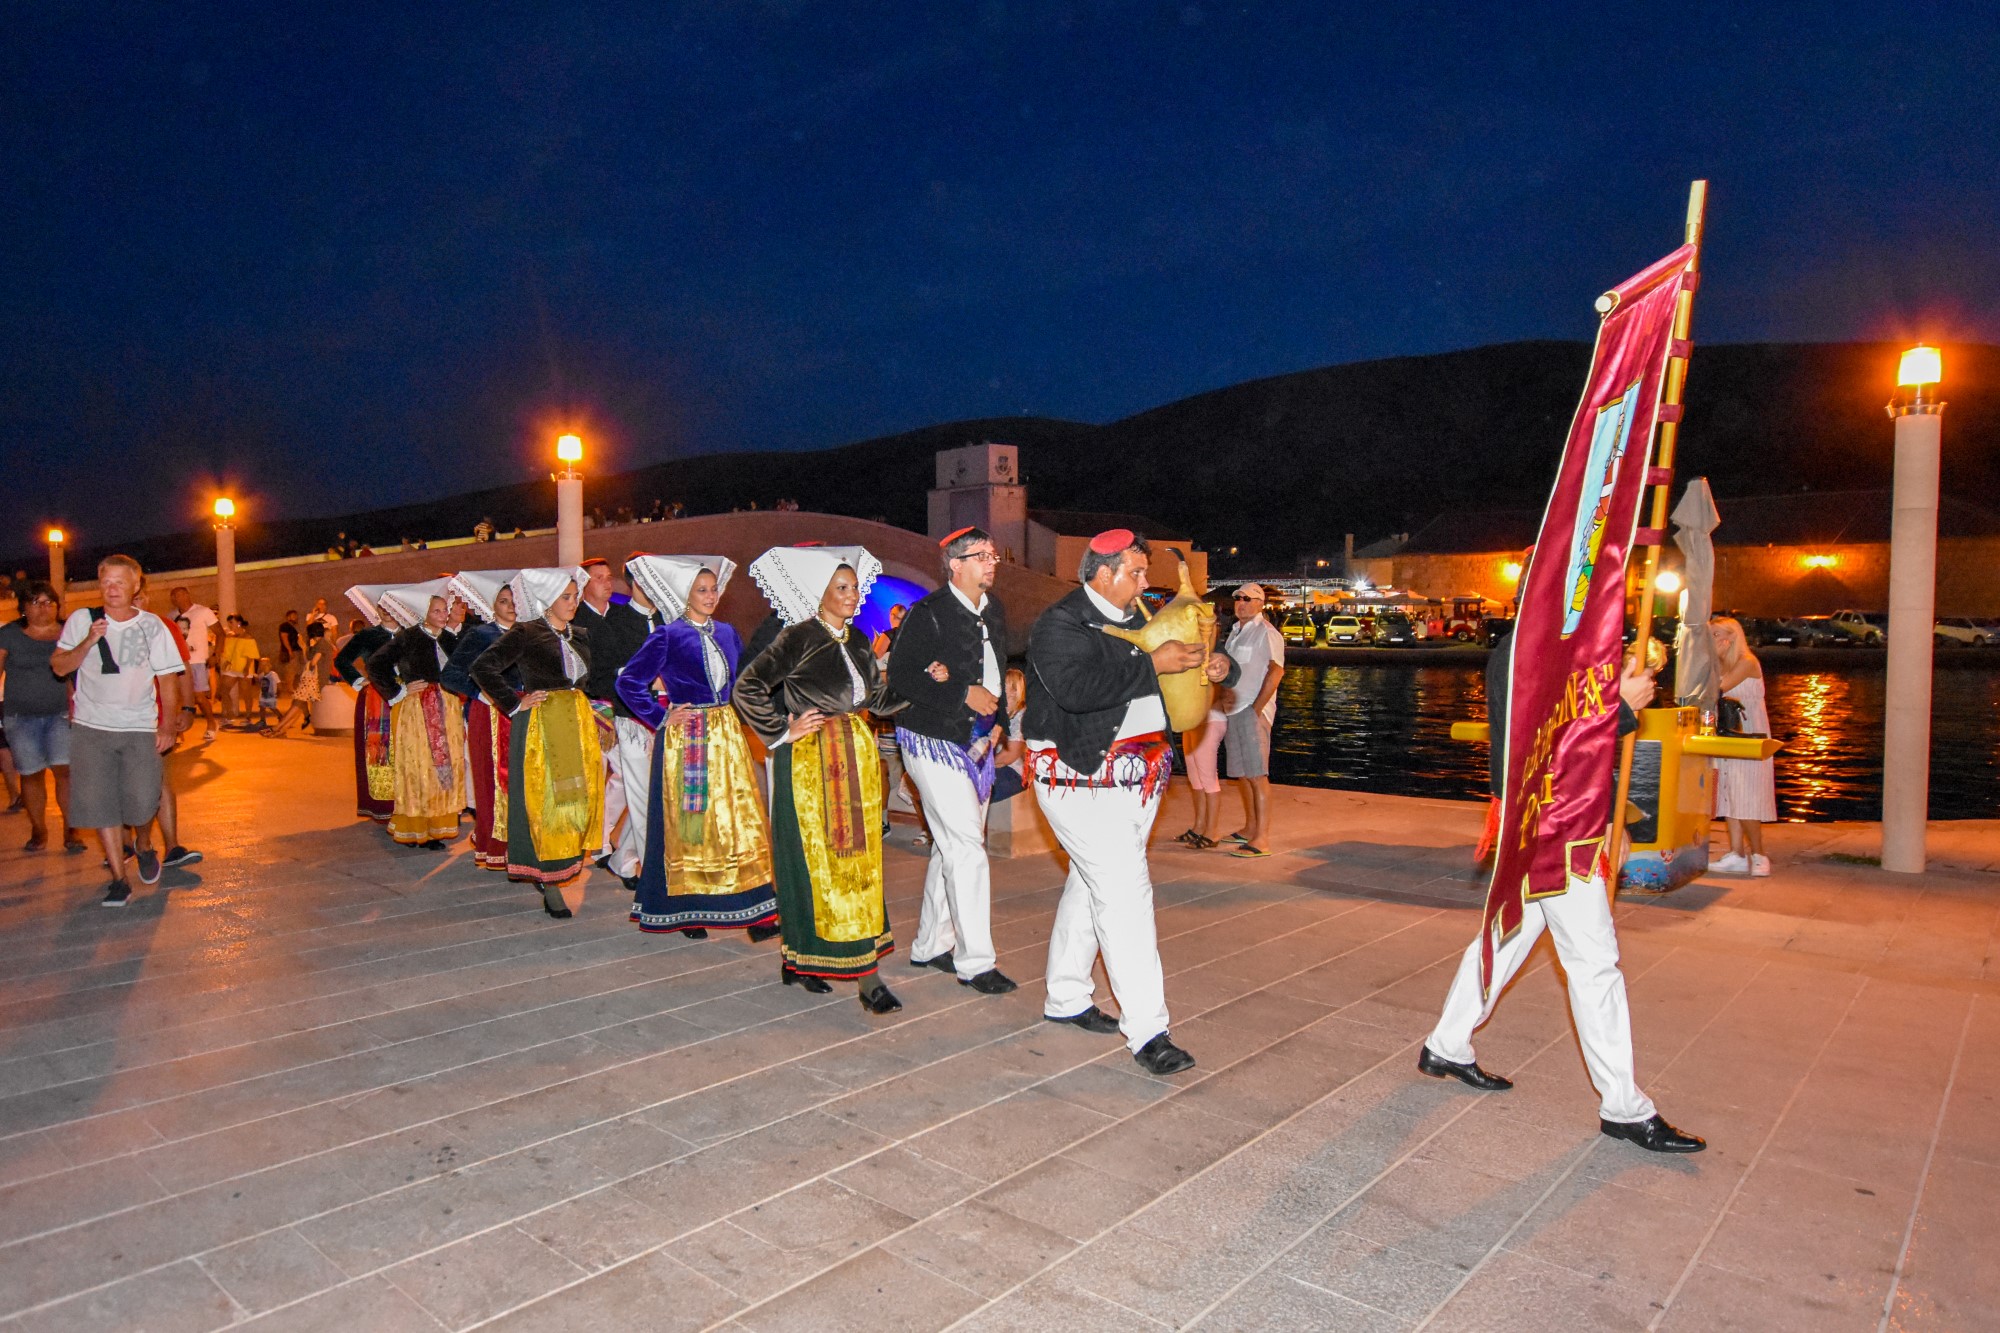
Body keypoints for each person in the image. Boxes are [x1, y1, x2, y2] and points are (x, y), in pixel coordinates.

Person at [1418, 647, 1706, 1155]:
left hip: (1551, 819)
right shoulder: (1534, 638)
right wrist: (1621, 707)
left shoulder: (1543, 631)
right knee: (1595, 965)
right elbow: (1546, 739)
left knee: (1506, 938)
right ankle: (1624, 1107)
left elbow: (1562, 725)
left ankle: (1446, 1044)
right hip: (1553, 828)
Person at [1025, 529, 1238, 1075]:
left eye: (1145, 573)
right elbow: (1075, 689)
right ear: (1102, 572)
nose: (1147, 583)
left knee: (1090, 882)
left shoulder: (1141, 615)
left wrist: (1219, 668)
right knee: (1124, 890)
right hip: (1079, 775)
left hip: (1137, 778)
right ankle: (1148, 1031)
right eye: (1136, 573)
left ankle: (1066, 996)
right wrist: (1154, 664)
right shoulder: (1060, 622)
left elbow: (1196, 655)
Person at [734, 545, 906, 1012]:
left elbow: (879, 699)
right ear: (820, 593)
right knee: (813, 862)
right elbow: (746, 686)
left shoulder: (856, 640)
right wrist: (780, 730)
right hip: (811, 761)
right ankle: (861, 977)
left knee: (858, 862)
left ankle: (806, 959)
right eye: (842, 588)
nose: (852, 596)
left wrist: (926, 688)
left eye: (854, 588)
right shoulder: (797, 637)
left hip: (854, 755)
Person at [616, 555, 779, 939]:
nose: (710, 596)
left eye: (713, 589)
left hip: (726, 734)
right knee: (691, 823)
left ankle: (750, 907)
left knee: (739, 820)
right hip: (689, 738)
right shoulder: (668, 635)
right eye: (701, 591)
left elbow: (741, 683)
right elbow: (628, 683)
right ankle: (687, 907)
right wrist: (660, 718)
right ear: (684, 595)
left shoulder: (727, 632)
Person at [886, 526, 1016, 994]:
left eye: (993, 554)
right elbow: (900, 677)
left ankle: (929, 944)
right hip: (931, 738)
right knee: (966, 846)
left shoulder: (994, 609)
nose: (991, 562)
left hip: (978, 742)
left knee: (951, 845)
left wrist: (999, 715)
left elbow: (997, 667)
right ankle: (976, 961)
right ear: (955, 564)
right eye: (980, 555)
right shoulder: (928, 613)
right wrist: (963, 693)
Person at [50, 555, 188, 906]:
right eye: (106, 582)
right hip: (91, 727)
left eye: (120, 582)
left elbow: (168, 679)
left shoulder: (152, 625)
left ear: (136, 586)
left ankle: (143, 843)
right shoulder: (84, 619)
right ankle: (118, 878)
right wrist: (87, 643)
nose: (112, 589)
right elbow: (59, 665)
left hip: (138, 727)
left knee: (143, 801)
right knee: (101, 804)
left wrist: (168, 725)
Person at [470, 568, 603, 915]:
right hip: (543, 726)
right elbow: (483, 667)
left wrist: (602, 714)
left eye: (575, 596)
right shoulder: (527, 632)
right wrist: (514, 703)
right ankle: (549, 879)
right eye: (566, 597)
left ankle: (564, 862)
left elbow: (587, 682)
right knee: (547, 802)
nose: (573, 603)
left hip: (576, 724)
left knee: (577, 800)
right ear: (548, 600)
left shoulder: (581, 633)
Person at [363, 579, 465, 849]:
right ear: (424, 613)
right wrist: (397, 692)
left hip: (447, 709)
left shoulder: (449, 639)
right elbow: (375, 664)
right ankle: (416, 828)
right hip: (418, 710)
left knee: (443, 769)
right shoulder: (408, 637)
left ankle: (436, 826)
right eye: (437, 611)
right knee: (419, 768)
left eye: (445, 610)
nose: (444, 616)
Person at [589, 554, 672, 884]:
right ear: (635, 584)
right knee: (641, 798)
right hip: (631, 720)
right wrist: (637, 677)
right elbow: (596, 678)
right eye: (647, 582)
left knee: (655, 796)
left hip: (668, 721)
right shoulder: (614, 623)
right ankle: (653, 870)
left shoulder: (668, 620)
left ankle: (621, 858)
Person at [443, 568, 520, 870]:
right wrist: (480, 693)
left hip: (522, 711)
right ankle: (493, 841)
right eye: (503, 601)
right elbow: (450, 674)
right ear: (492, 607)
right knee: (491, 781)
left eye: (514, 600)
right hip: (488, 715)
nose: (511, 606)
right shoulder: (481, 634)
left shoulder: (528, 631)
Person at [0, 581, 84, 852]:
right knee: (31, 774)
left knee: (65, 773)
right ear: (23, 607)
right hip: (20, 716)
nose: (44, 608)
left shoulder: (68, 633)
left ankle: (71, 831)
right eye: (36, 602)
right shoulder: (9, 634)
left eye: (49, 602)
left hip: (60, 714)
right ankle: (39, 829)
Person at [1217, 582, 1285, 858]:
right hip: (1233, 710)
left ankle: (1262, 839)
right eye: (1238, 599)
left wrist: (1256, 708)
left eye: (1247, 599)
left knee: (1257, 775)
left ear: (1260, 603)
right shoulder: (1235, 632)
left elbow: (1276, 672)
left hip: (1251, 711)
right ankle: (1249, 827)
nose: (1241, 603)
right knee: (1242, 774)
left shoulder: (1267, 633)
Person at [571, 557, 630, 864]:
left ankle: (601, 836)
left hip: (625, 705)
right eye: (599, 578)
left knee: (624, 774)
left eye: (609, 577)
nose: (607, 583)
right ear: (584, 585)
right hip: (593, 706)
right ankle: (598, 843)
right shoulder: (576, 621)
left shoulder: (621, 614)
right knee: (596, 775)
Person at [1709, 616, 1775, 876]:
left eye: (1715, 635)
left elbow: (1718, 688)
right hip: (1729, 733)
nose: (1711, 640)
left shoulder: (1746, 663)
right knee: (1730, 792)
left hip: (1748, 734)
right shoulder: (1724, 664)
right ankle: (1736, 853)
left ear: (1730, 638)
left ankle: (1759, 854)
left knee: (1746, 796)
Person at [334, 587, 396, 823]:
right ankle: (383, 805)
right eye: (382, 607)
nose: (387, 611)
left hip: (407, 696)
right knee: (380, 753)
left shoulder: (409, 633)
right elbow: (341, 660)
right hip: (376, 700)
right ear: (376, 610)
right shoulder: (368, 635)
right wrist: (360, 682)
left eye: (392, 606)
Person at [168, 587, 220, 741]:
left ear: (187, 595)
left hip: (197, 660)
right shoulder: (171, 616)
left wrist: (216, 655)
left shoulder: (203, 611)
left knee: (199, 697)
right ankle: (179, 730)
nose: (178, 598)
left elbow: (220, 634)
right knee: (176, 698)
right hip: (178, 662)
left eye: (181, 594)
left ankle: (211, 723)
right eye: (174, 596)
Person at [216, 615, 260, 728]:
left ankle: (248, 717)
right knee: (224, 690)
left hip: (244, 667)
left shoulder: (248, 637)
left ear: (239, 623)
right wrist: (225, 661)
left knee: (246, 693)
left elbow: (251, 654)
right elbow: (227, 651)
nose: (230, 625)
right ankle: (229, 716)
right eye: (229, 623)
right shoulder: (229, 636)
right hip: (231, 667)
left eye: (231, 622)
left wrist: (247, 667)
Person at [276, 611, 302, 696]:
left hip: (296, 650)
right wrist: (289, 650)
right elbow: (284, 638)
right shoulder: (285, 626)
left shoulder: (293, 627)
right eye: (293, 616)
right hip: (291, 650)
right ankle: (289, 688)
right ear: (288, 617)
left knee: (295, 670)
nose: (295, 617)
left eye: (296, 616)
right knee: (290, 670)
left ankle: (291, 687)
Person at [253, 658, 281, 728]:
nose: (263, 666)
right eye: (261, 664)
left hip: (271, 695)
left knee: (272, 707)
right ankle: (262, 721)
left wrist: (279, 691)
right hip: (263, 695)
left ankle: (281, 717)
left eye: (265, 664)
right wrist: (253, 674)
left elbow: (278, 683)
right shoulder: (262, 674)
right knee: (262, 707)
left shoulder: (273, 674)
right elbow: (258, 679)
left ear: (269, 665)